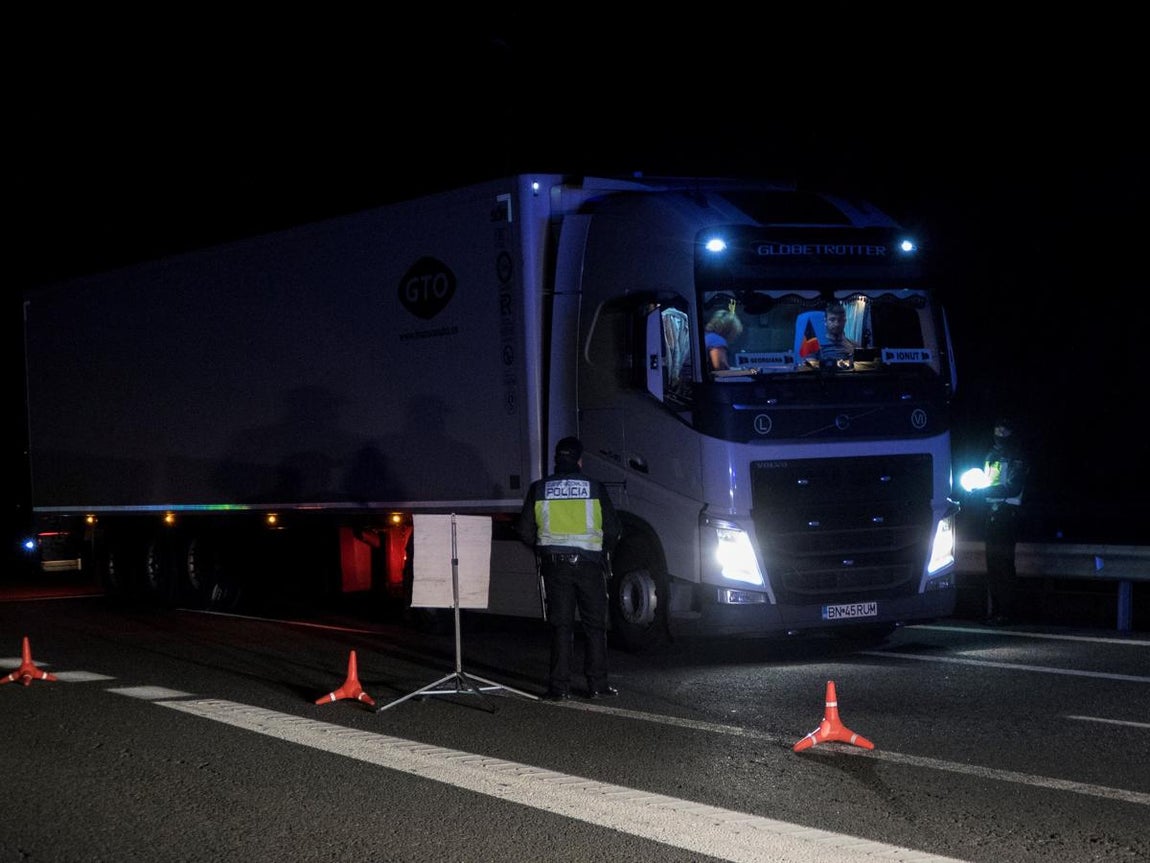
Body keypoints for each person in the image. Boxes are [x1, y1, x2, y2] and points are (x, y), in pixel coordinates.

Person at [516, 436, 622, 700]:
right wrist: (601, 550)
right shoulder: (594, 487)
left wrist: (545, 548)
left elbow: (525, 531)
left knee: (561, 626)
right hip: (589, 565)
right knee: (594, 626)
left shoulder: (539, 488)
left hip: (555, 567)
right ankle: (597, 685)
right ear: (579, 461)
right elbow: (614, 529)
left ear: (556, 460)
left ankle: (559, 688)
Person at [969, 417, 1029, 625]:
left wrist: (983, 491)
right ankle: (996, 612)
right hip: (992, 514)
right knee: (993, 566)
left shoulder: (1017, 456)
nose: (1000, 433)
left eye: (1004, 429)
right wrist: (978, 491)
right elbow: (989, 483)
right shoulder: (991, 455)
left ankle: (1007, 612)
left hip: (1007, 514)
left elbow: (1013, 487)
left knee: (1003, 565)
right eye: (997, 429)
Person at [705, 303, 744, 371]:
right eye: (735, 333)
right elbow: (720, 369)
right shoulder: (717, 340)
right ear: (730, 331)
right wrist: (751, 372)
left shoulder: (706, 336)